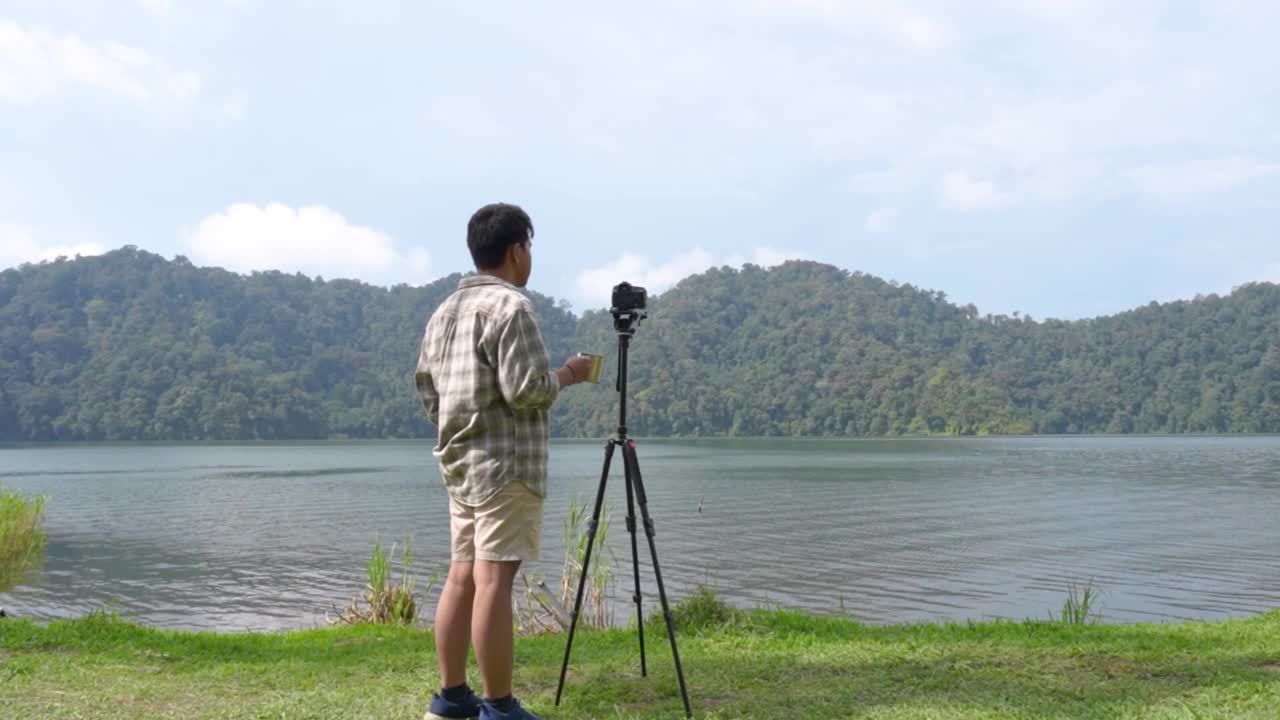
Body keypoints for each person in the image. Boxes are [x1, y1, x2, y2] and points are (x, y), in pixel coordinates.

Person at [417, 203, 594, 720]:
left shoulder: (443, 312)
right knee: (495, 580)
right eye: (530, 247)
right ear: (517, 249)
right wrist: (569, 372)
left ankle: (451, 698)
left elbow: (428, 390)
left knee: (462, 577)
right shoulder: (512, 308)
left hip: (461, 463)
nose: (530, 257)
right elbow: (527, 390)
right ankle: (498, 707)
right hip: (507, 464)